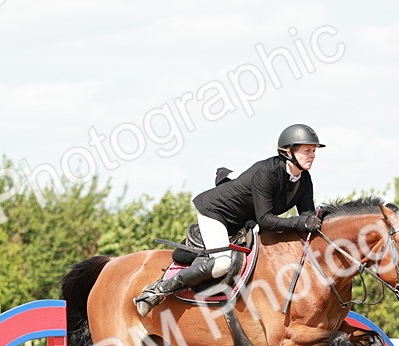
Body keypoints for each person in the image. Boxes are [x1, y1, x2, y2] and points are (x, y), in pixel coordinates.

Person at [134, 123, 325, 316]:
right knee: (222, 263)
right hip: (216, 212)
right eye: (307, 150)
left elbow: (306, 217)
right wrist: (301, 222)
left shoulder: (304, 179)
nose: (313, 155)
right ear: (287, 151)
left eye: (314, 151)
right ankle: (157, 290)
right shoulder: (267, 173)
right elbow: (266, 220)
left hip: (241, 222)